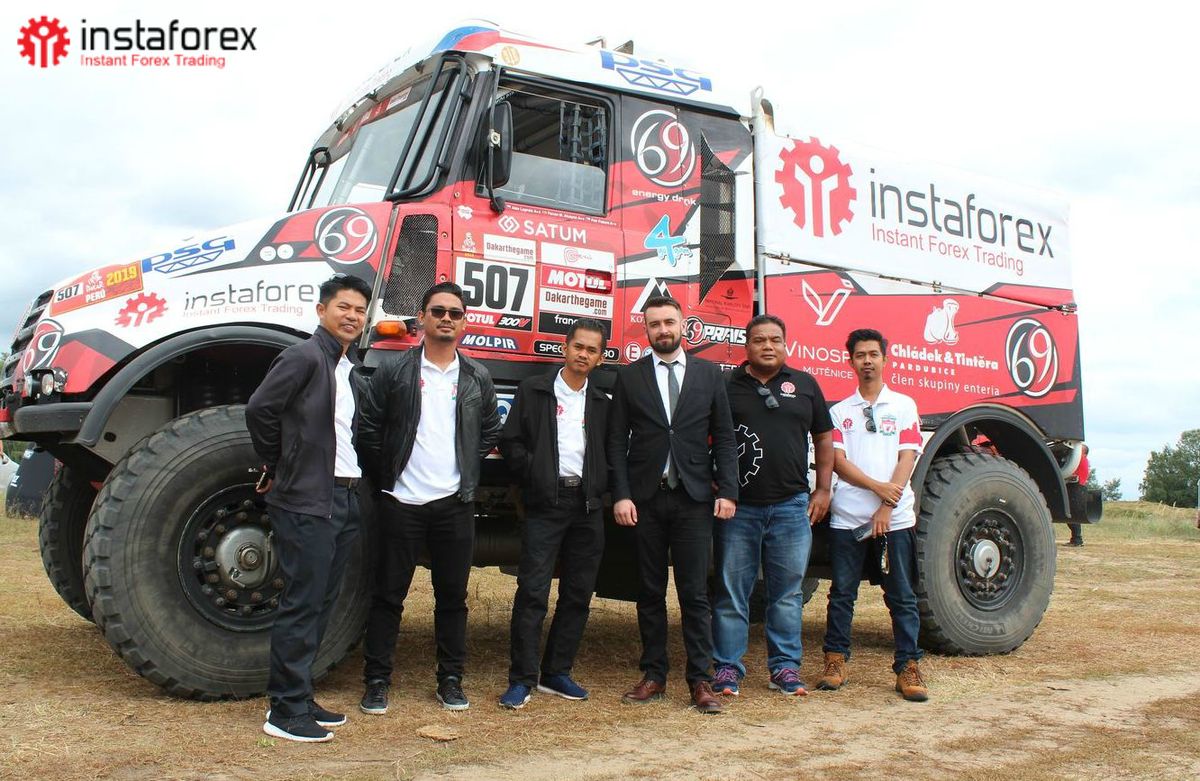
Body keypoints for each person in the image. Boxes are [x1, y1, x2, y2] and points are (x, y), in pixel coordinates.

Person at [357, 282, 502, 713]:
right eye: (438, 311)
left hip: (453, 504)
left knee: (452, 599)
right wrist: (391, 472)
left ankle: (450, 680)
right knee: (388, 596)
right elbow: (369, 427)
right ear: (421, 318)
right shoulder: (395, 370)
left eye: (455, 313)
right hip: (401, 501)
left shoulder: (476, 376)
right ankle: (377, 681)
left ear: (464, 323)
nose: (446, 319)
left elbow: (489, 430)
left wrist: (463, 467)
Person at [245, 273, 373, 743]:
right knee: (302, 603)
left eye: (359, 310)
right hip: (307, 499)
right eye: (343, 307)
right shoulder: (303, 356)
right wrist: (280, 463)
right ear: (322, 310)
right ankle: (284, 711)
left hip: (343, 496)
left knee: (321, 602)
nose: (352, 316)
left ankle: (300, 695)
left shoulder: (345, 366)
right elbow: (260, 409)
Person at [607, 295, 738, 714]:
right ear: (645, 329)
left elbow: (725, 436)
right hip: (645, 500)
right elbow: (615, 441)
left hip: (693, 500)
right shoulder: (630, 377)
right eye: (654, 324)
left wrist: (728, 491)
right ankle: (654, 674)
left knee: (694, 593)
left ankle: (700, 680)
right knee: (649, 592)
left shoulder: (709, 374)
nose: (662, 330)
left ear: (683, 324)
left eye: (668, 322)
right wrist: (622, 494)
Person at [711, 314, 833, 697]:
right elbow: (703, 434)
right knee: (732, 592)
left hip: (791, 507)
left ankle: (784, 669)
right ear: (746, 346)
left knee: (787, 594)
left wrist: (823, 489)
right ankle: (727, 669)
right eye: (759, 340)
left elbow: (824, 439)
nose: (767, 346)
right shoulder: (726, 385)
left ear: (785, 344)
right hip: (738, 509)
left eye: (775, 340)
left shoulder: (806, 385)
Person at [497, 318, 611, 709]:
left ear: (600, 358)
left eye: (592, 350)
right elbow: (510, 441)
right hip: (546, 503)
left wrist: (601, 487)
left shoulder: (602, 401)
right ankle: (521, 679)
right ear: (565, 348)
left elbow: (611, 451)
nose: (583, 354)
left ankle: (557, 673)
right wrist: (536, 474)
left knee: (578, 593)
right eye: (578, 346)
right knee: (532, 592)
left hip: (587, 506)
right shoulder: (534, 390)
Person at [817, 328, 929, 702]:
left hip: (895, 520)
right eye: (860, 355)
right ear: (850, 361)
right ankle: (835, 661)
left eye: (873, 354)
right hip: (848, 519)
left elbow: (908, 457)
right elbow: (838, 462)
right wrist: (876, 489)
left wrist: (886, 506)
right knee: (842, 593)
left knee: (901, 595)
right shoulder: (839, 412)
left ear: (884, 359)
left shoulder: (904, 405)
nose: (867, 361)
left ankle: (908, 666)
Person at [1068, 444, 1089, 546]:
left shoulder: (1080, 459)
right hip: (1078, 487)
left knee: (1073, 514)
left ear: (1083, 452)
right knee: (1072, 514)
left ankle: (1077, 540)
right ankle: (1075, 539)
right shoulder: (1084, 460)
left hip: (1076, 487)